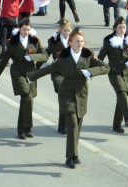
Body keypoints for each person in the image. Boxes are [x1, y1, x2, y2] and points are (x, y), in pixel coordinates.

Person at [29, 28, 109, 168]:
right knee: (71, 125)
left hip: (81, 93)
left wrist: (91, 72)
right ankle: (75, 156)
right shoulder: (63, 57)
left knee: (77, 126)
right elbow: (48, 69)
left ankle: (69, 157)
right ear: (70, 42)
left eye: (82, 41)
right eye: (77, 41)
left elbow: (105, 67)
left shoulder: (88, 55)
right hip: (66, 93)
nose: (80, 43)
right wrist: (31, 78)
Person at [0, 18, 48, 139]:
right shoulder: (12, 42)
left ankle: (20, 130)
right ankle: (28, 128)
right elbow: (4, 60)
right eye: (24, 29)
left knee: (27, 100)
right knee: (27, 97)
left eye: (28, 29)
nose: (26, 32)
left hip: (31, 73)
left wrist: (33, 57)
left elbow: (45, 56)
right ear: (19, 29)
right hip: (17, 72)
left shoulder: (35, 41)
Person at [97, 17, 128, 134]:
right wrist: (92, 66)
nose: (122, 29)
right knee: (121, 92)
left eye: (124, 27)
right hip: (114, 72)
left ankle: (117, 125)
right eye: (120, 27)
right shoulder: (109, 40)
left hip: (126, 73)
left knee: (121, 98)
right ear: (115, 29)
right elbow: (100, 57)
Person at [45, 20, 72, 134]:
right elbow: (46, 53)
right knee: (64, 95)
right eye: (65, 30)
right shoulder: (53, 41)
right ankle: (63, 126)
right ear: (60, 29)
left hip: (70, 73)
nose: (66, 32)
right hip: (57, 72)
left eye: (68, 31)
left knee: (66, 100)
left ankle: (64, 125)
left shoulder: (74, 40)